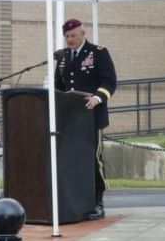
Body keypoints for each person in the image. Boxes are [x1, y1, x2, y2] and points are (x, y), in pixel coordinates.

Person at [54, 18, 117, 221]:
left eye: (73, 36)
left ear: (82, 33)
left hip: (91, 116)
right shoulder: (63, 57)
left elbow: (109, 81)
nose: (70, 40)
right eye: (67, 37)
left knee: (93, 160)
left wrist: (98, 97)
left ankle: (98, 202)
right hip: (70, 118)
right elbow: (59, 85)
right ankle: (78, 201)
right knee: (72, 160)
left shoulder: (98, 52)